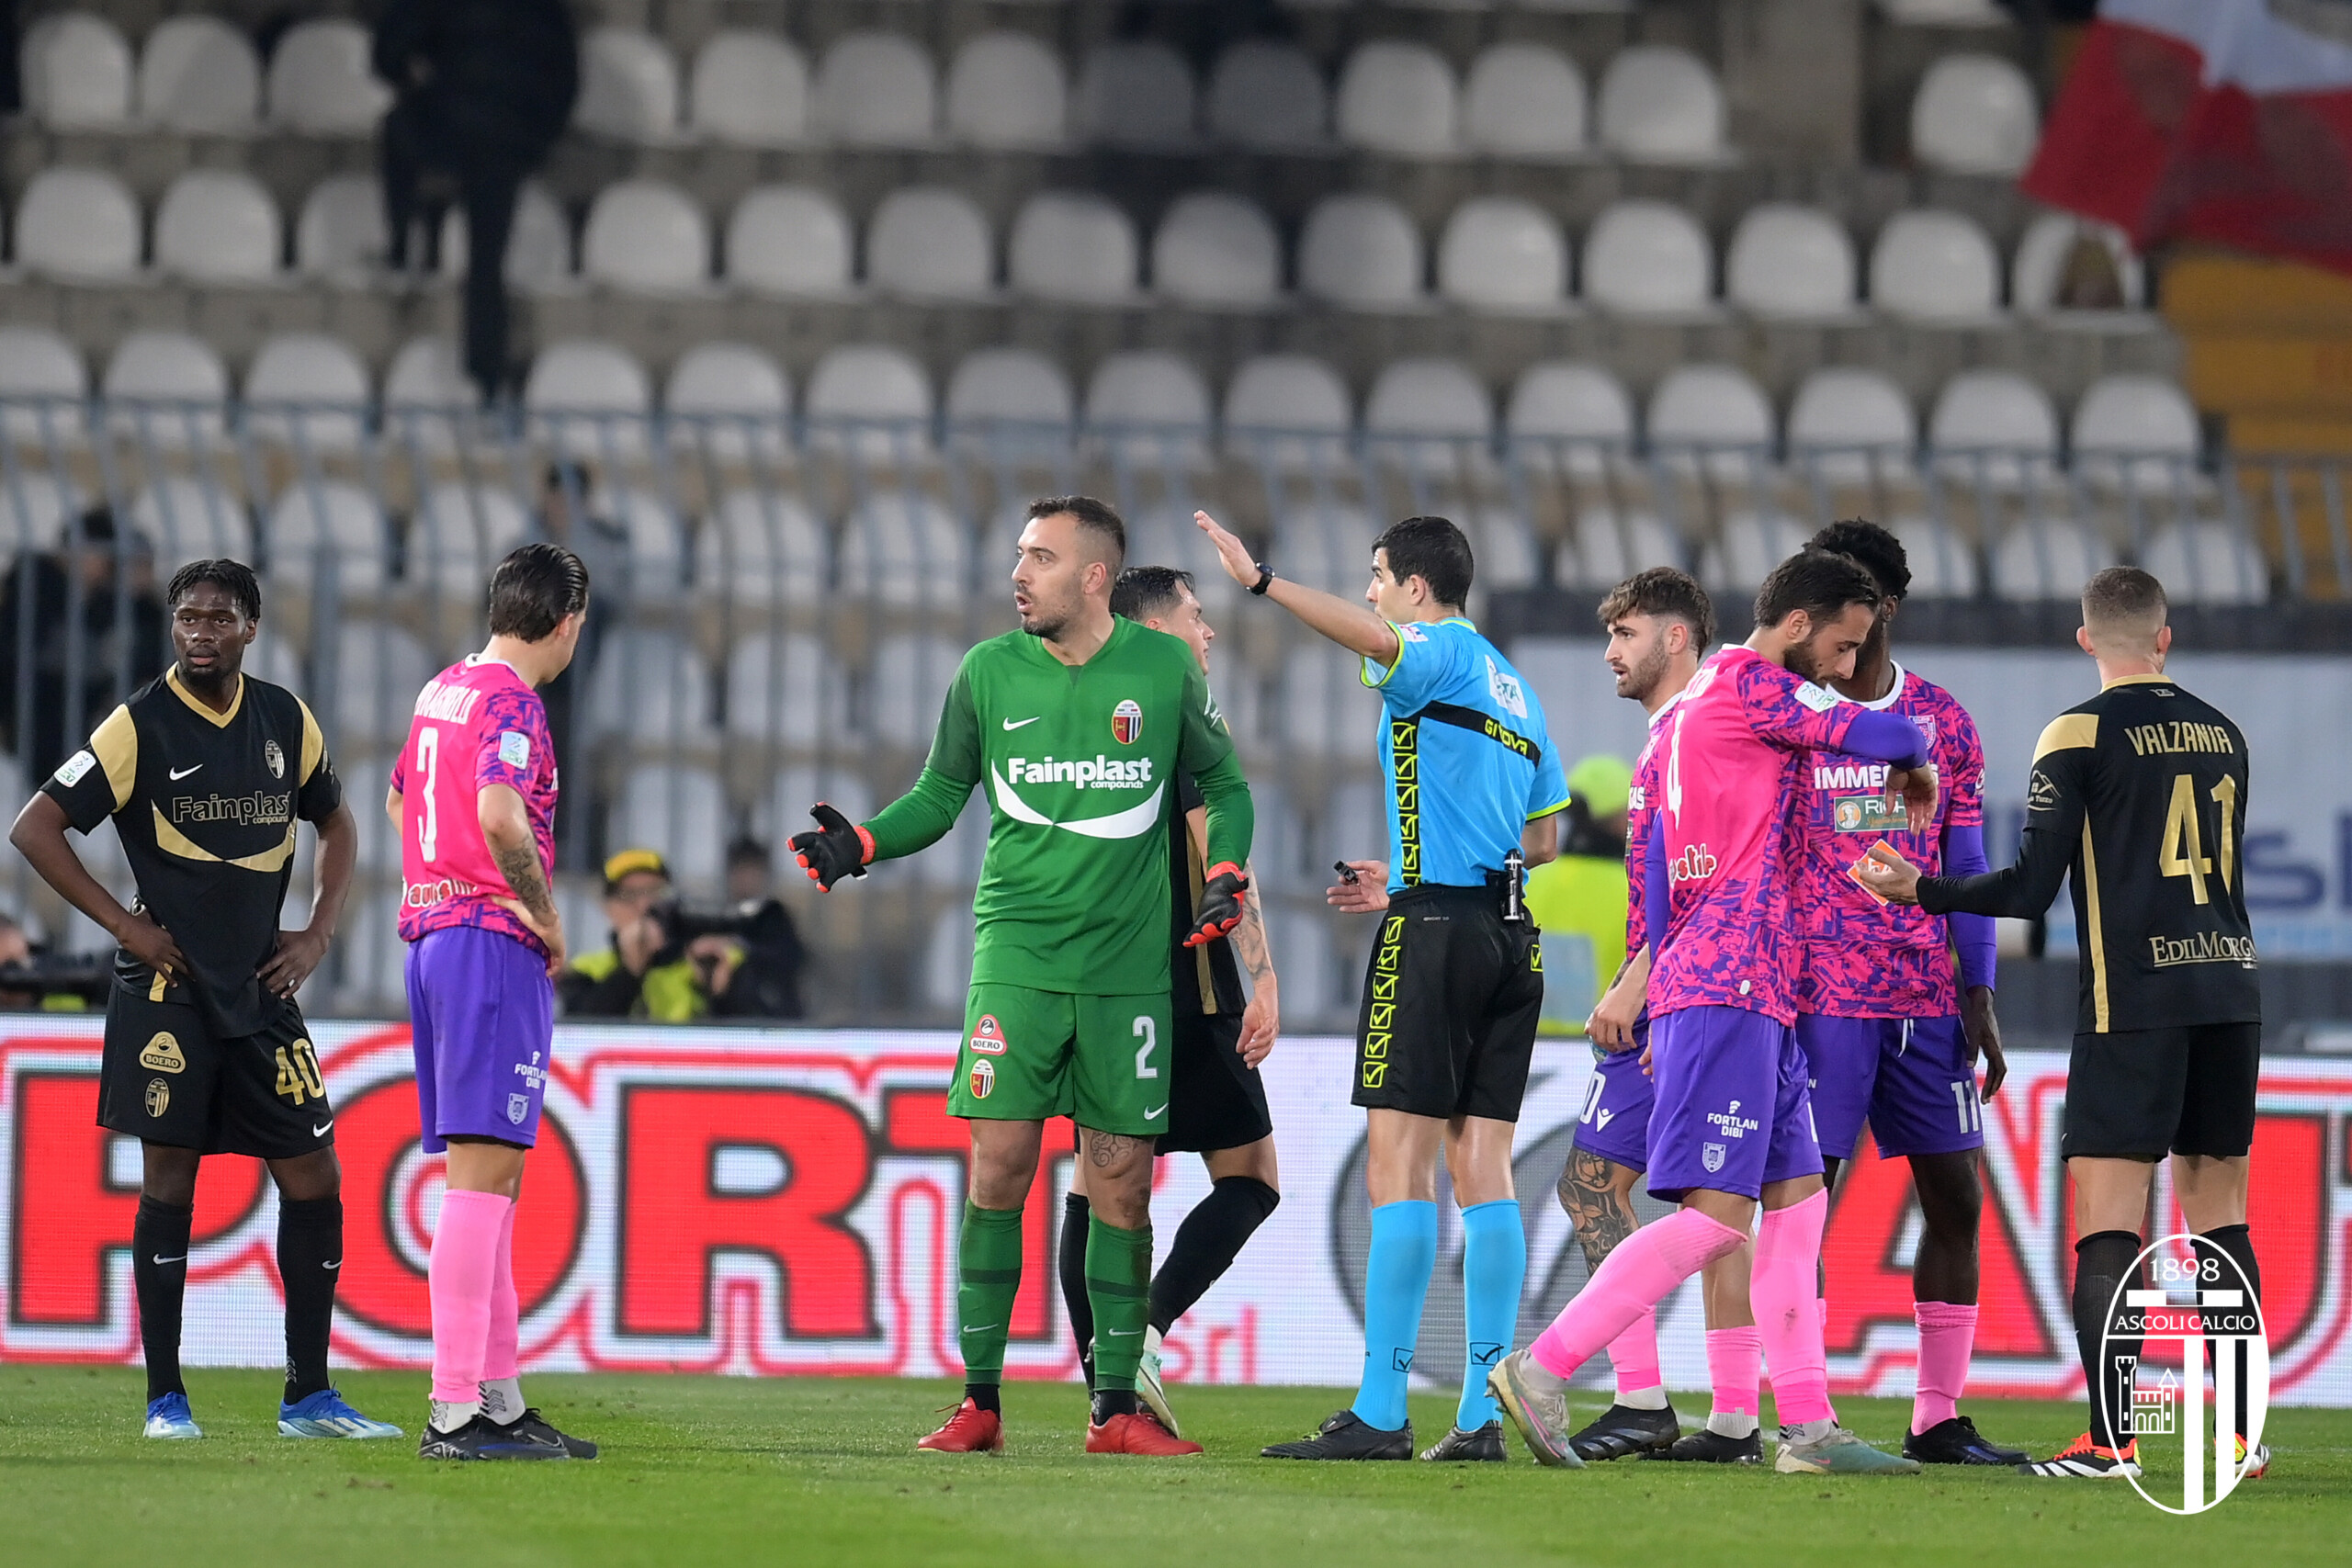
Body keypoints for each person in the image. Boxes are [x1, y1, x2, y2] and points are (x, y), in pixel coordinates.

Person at [788, 497, 1253, 1458]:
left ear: (1092, 576)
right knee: (997, 1167)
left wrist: (1224, 874)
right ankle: (980, 1401)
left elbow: (1228, 786)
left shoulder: (1162, 666)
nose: (1018, 573)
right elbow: (939, 794)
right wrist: (864, 841)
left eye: (1039, 557)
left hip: (1127, 973)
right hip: (1018, 959)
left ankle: (1114, 1409)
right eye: (1017, 554)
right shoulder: (987, 673)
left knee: (1122, 1186)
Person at [1487, 547, 1937, 1476]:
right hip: (1731, 984)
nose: (1847, 669)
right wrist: (1918, 763)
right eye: (1843, 645)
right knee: (1714, 1216)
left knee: (1798, 1204)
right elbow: (1885, 736)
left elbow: (1648, 879)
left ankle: (1806, 1431)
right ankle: (1544, 1368)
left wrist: (1648, 993)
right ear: (1802, 624)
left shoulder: (1671, 731)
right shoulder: (1749, 681)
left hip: (1735, 987)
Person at [1860, 566, 2267, 1481]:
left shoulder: (2077, 732)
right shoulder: (2224, 733)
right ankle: (2241, 1434)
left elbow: (2030, 890)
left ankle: (2111, 1439)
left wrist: (1919, 889)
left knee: (2108, 1221)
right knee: (2218, 1217)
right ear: (2163, 637)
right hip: (2230, 993)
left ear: (2086, 640)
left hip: (2137, 1003)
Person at [1192, 511, 1563, 1464]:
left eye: (1376, 574)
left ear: (1416, 587)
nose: (1367, 592)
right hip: (1510, 936)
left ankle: (1382, 1412)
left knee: (1397, 1166)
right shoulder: (1519, 690)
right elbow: (1542, 841)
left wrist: (1263, 581)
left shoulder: (1431, 652)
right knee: (1484, 1173)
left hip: (1435, 936)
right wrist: (1412, 873)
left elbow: (1372, 640)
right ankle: (1483, 1417)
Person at [7, 558, 398, 1442]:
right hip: (167, 990)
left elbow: (336, 819)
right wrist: (126, 927)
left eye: (219, 618)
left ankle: (308, 1394)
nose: (200, 633)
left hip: (263, 985)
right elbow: (35, 825)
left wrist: (318, 930)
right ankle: (166, 1400)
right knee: (170, 1183)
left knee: (315, 1175)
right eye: (187, 617)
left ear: (250, 627)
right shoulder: (138, 724)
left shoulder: (284, 719)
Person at [1790, 520, 2021, 1467]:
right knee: (1807, 1204)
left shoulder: (1943, 722)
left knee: (1957, 1200)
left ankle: (1935, 1417)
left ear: (1881, 609)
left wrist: (1980, 990)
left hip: (1924, 1000)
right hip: (1819, 996)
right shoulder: (1787, 715)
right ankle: (1806, 1411)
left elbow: (1965, 863)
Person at [1059, 565, 1283, 1440]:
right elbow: (1220, 848)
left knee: (1096, 1183)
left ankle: (1106, 1395)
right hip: (1186, 986)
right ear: (1154, 628)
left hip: (1093, 983)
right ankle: (1139, 1340)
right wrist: (1261, 975)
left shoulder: (1081, 712)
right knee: (1252, 1178)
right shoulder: (1182, 713)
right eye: (1196, 615)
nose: (1209, 632)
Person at [390, 541, 597, 1461]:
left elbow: (402, 803)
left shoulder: (444, 689)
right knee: (481, 1181)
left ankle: (500, 1401)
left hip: (437, 941)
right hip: (487, 949)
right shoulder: (515, 702)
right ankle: (452, 1412)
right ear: (565, 623)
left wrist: (441, 883)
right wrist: (540, 914)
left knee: (494, 1178)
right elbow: (502, 814)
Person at [1552, 567, 1755, 1463]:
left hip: (1684, 997)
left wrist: (1637, 979)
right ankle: (1713, 1415)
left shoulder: (1700, 731)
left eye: (1626, 634)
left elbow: (1701, 884)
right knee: (1692, 1201)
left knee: (1665, 1200)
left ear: (1677, 638)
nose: (1609, 652)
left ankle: (1671, 1406)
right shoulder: (1665, 738)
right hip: (1675, 995)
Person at [372, 0, 578, 401]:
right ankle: (486, 384)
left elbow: (389, 50)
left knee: (397, 130)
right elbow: (565, 76)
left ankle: (402, 244)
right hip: (506, 141)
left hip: (459, 125)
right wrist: (539, 140)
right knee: (486, 267)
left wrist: (413, 76)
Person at [0, 506, 166, 783]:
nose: (108, 566)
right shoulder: (36, 584)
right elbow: (35, 654)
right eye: (105, 555)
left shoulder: (111, 602)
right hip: (34, 706)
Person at [558, 850, 752, 1022]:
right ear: (609, 907)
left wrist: (719, 990)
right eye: (629, 895)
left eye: (655, 892)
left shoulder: (710, 959)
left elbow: (753, 1039)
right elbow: (579, 1034)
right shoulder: (587, 970)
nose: (644, 906)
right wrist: (629, 971)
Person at [1525, 755, 1632, 1040]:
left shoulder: (1530, 879)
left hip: (1527, 1045)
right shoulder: (1635, 890)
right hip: (1603, 1045)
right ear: (1622, 817)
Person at [707, 836, 807, 1020]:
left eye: (753, 870)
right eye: (741, 871)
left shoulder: (776, 916)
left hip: (776, 1019)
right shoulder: (720, 918)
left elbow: (792, 958)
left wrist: (742, 951)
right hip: (729, 1021)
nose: (747, 878)